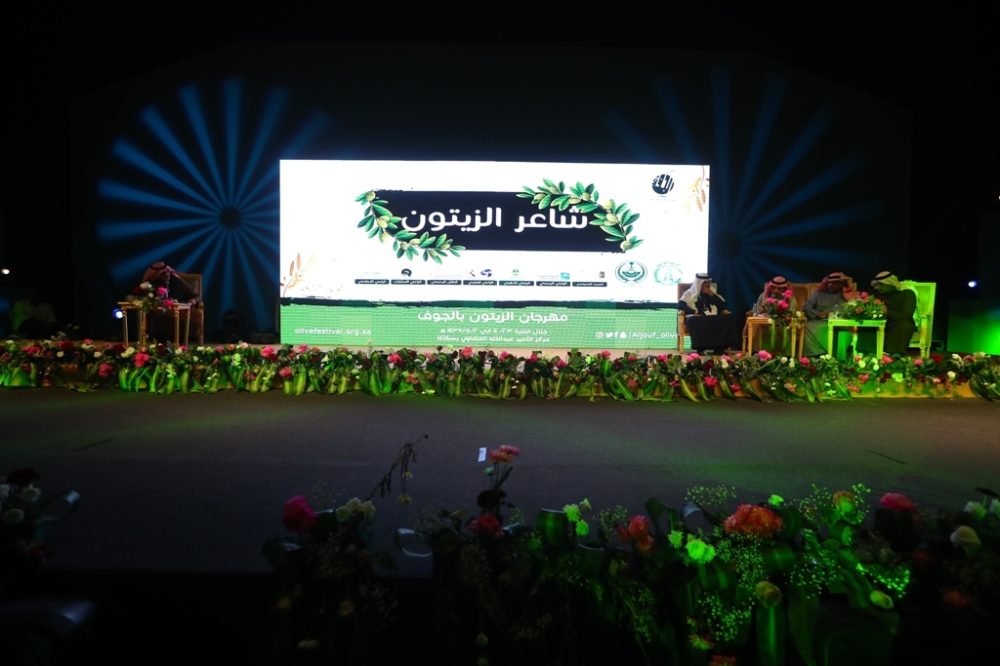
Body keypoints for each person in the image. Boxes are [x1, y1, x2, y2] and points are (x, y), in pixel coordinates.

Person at [679, 273, 743, 354]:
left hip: (712, 317)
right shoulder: (689, 293)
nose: (707, 285)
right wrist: (693, 312)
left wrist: (711, 294)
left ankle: (719, 348)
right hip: (698, 318)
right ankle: (700, 349)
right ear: (699, 283)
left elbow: (723, 306)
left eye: (708, 282)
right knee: (693, 320)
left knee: (730, 317)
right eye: (704, 283)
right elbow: (681, 305)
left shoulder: (713, 293)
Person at [140, 261, 202, 342]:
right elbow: (145, 298)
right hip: (160, 310)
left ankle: (183, 339)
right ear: (157, 276)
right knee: (152, 311)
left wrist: (194, 300)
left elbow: (198, 296)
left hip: (178, 309)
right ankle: (161, 339)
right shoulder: (151, 285)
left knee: (196, 313)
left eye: (167, 272)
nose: (167, 274)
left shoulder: (177, 281)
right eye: (163, 274)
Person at [858, 271, 917, 354]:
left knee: (904, 325)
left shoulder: (908, 294)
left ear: (891, 284)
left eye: (881, 285)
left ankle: (894, 356)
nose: (878, 287)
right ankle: (868, 355)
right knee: (866, 324)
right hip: (880, 323)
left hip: (898, 324)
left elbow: (906, 316)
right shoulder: (876, 294)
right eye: (877, 284)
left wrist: (886, 312)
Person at [801, 272, 857, 356]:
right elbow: (806, 307)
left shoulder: (849, 297)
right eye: (829, 283)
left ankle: (837, 357)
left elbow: (853, 311)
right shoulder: (819, 294)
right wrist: (817, 313)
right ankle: (815, 356)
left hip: (839, 324)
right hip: (819, 322)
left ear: (841, 284)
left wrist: (837, 313)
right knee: (807, 327)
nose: (831, 285)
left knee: (843, 332)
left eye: (834, 283)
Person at [753, 276, 798, 354]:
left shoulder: (790, 298)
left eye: (779, 289)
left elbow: (792, 312)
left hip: (784, 324)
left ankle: (785, 355)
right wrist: (763, 314)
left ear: (784, 289)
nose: (775, 291)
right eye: (773, 288)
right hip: (766, 323)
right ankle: (763, 354)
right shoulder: (763, 296)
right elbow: (758, 310)